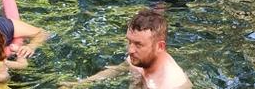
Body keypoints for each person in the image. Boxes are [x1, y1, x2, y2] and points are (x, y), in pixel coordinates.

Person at [61, 9, 192, 88]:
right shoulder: (141, 58)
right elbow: (119, 69)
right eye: (129, 42)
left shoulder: (172, 84)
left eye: (138, 44)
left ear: (160, 46)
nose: (130, 50)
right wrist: (80, 84)